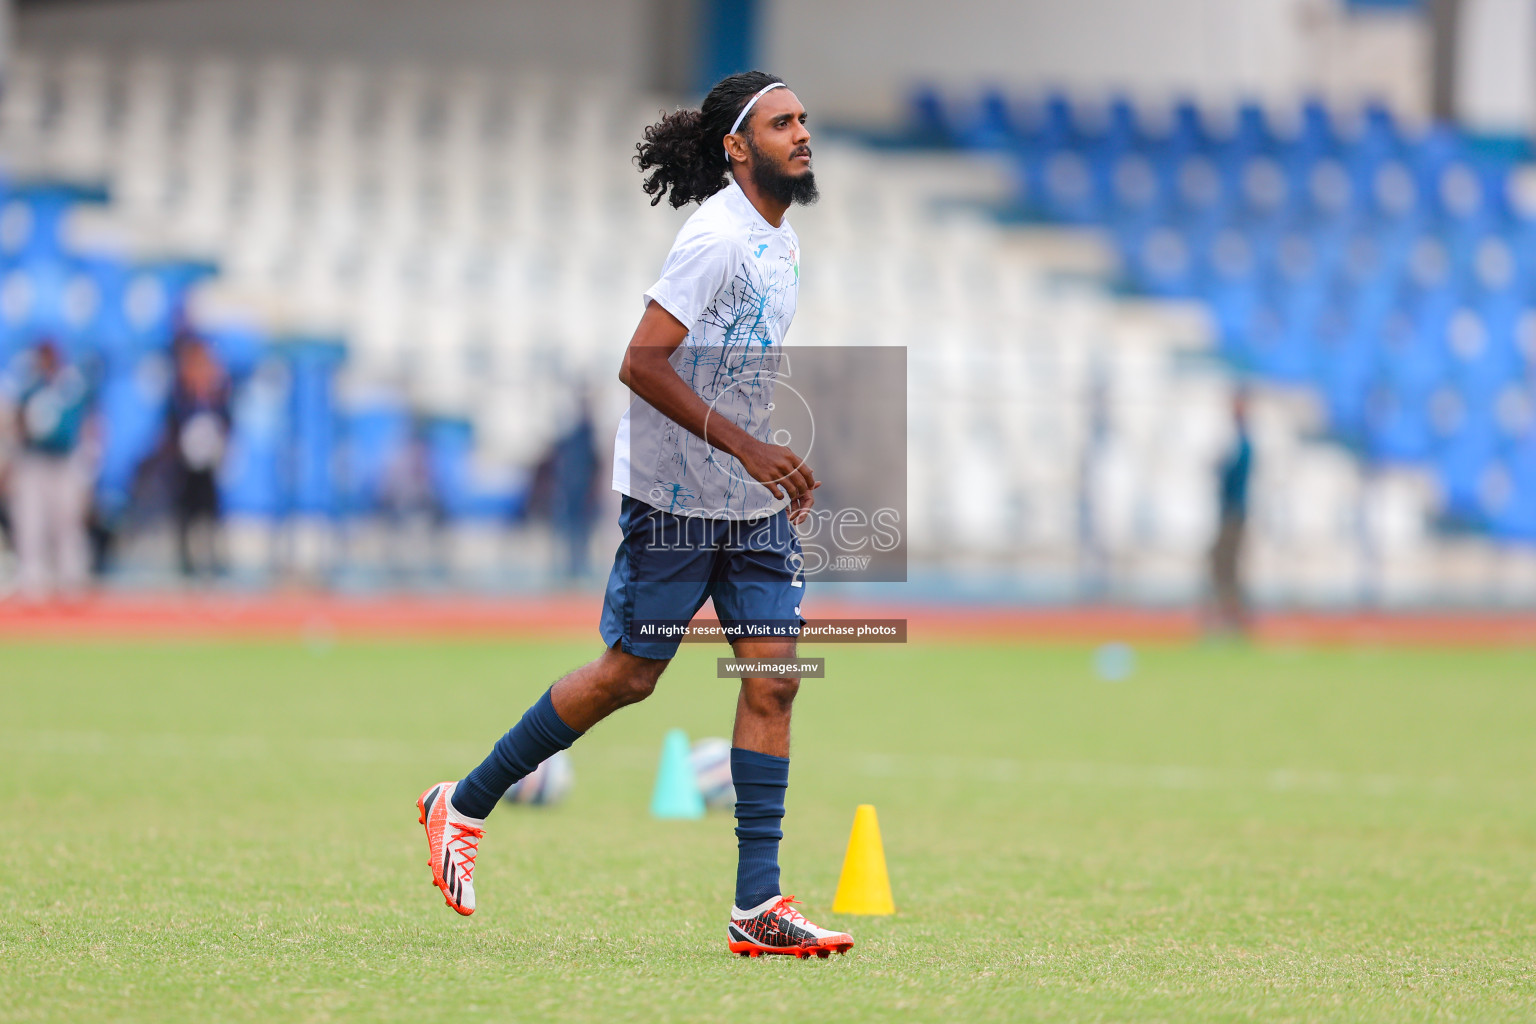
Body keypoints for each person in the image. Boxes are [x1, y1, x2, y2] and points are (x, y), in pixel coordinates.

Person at [416, 71, 853, 957]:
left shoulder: (784, 242)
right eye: (781, 123)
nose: (802, 133)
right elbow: (641, 363)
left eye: (804, 120)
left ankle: (756, 907)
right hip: (676, 495)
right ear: (738, 146)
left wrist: (767, 455)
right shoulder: (715, 239)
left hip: (745, 501)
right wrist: (746, 446)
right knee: (629, 676)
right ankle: (460, 803)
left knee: (773, 676)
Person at [5, 339, 96, 602]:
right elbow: (16, 421)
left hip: (64, 461)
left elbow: (84, 424)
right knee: (31, 522)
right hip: (34, 461)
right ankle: (33, 580)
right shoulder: (29, 386)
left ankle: (71, 579)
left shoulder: (72, 386)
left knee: (67, 522)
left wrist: (87, 464)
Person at [165, 333, 232, 579]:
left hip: (209, 462)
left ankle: (213, 561)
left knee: (210, 511)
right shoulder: (181, 392)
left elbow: (226, 419)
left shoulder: (217, 391)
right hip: (185, 463)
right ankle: (188, 565)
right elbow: (172, 422)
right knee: (187, 512)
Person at [1210, 390, 1253, 634]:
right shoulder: (1238, 440)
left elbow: (1231, 475)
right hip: (1231, 512)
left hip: (1233, 513)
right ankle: (1230, 618)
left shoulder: (1241, 442)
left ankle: (1232, 620)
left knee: (1226, 568)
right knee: (1224, 567)